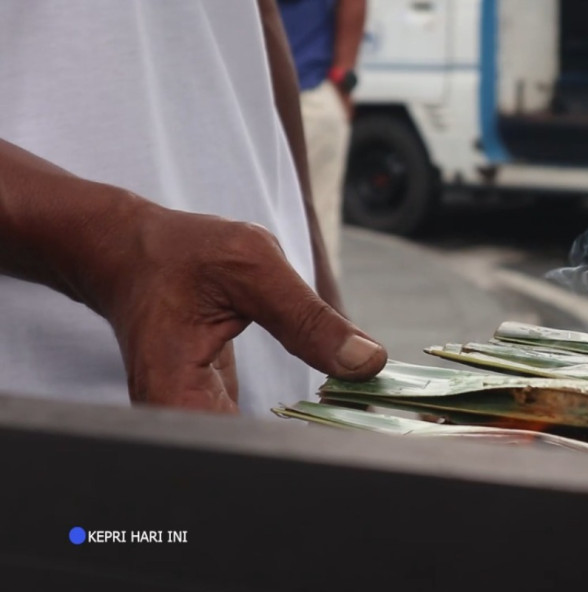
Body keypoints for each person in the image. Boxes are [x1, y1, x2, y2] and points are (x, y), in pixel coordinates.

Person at [0, 0, 387, 415]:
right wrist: (116, 246)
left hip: (277, 398)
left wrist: (314, 276)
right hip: (42, 409)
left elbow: (258, 16)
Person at [277, 0, 367, 279]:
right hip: (302, 95)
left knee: (308, 233)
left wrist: (342, 80)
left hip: (301, 96)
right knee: (314, 228)